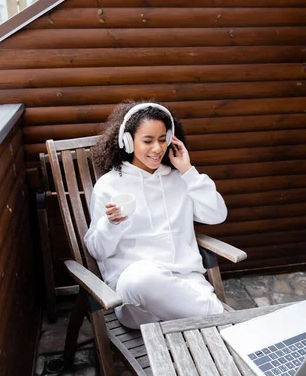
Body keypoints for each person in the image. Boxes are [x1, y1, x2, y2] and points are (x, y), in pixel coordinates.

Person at [84, 100, 228, 329]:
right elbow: (97, 250)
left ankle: (215, 322)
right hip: (138, 303)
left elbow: (216, 215)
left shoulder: (181, 179)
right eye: (148, 141)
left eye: (163, 140)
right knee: (140, 277)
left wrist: (188, 171)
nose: (157, 149)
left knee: (172, 290)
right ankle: (224, 321)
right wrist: (110, 224)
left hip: (186, 287)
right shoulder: (109, 186)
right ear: (128, 141)